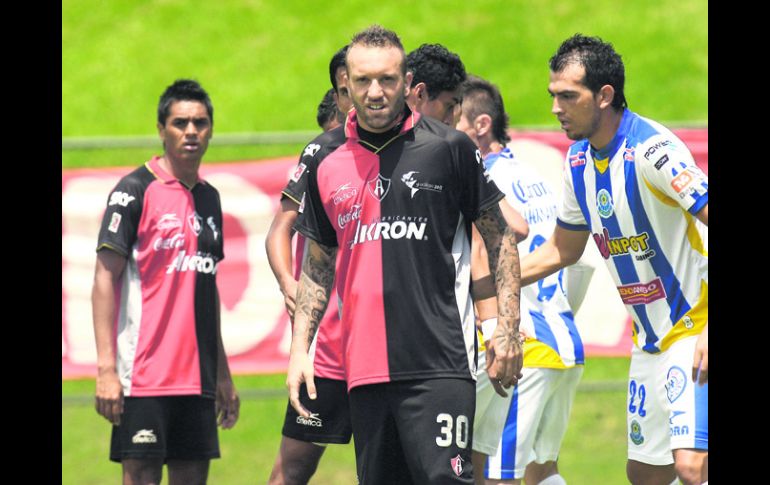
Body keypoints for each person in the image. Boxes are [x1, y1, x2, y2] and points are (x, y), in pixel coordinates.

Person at [286, 25, 524, 484]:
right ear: (346, 83)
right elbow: (317, 264)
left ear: (407, 81)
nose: (375, 92)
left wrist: (507, 330)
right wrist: (300, 352)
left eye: (387, 79)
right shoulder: (322, 157)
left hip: (441, 365)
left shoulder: (449, 148)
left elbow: (501, 239)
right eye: (363, 81)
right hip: (364, 371)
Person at [522, 34, 708, 485]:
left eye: (569, 96)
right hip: (649, 341)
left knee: (691, 465)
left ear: (604, 95)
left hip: (695, 328)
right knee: (645, 474)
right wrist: (485, 282)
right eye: (553, 95)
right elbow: (561, 250)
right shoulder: (577, 163)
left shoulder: (653, 151)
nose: (556, 108)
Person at [91, 78, 240, 485]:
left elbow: (206, 292)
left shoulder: (210, 198)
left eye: (200, 123)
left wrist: (222, 375)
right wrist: (106, 370)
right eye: (180, 123)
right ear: (161, 129)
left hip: (198, 381)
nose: (191, 131)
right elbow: (104, 278)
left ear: (211, 129)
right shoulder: (133, 191)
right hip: (144, 378)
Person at [458, 75, 591, 485]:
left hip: (522, 350)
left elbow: (483, 254)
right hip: (564, 343)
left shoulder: (482, 182)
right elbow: (572, 261)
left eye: (452, 120)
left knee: (498, 476)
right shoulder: (533, 177)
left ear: (481, 125)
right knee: (543, 470)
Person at [265, 48, 354, 485]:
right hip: (328, 348)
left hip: (388, 347)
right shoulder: (320, 155)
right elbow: (278, 231)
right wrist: (288, 282)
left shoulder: (407, 152)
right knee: (293, 468)